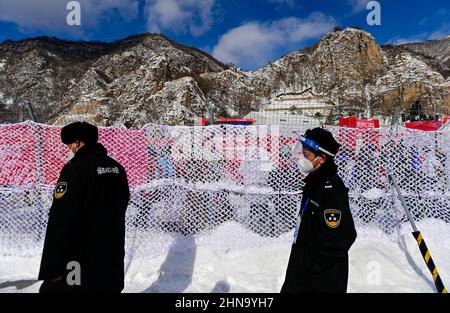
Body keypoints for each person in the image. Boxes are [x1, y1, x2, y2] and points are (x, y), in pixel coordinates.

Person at [38, 122, 130, 293]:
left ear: (77, 143)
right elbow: (122, 203)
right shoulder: (117, 168)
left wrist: (53, 267)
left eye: (69, 144)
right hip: (111, 252)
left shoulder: (75, 169)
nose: (69, 149)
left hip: (79, 258)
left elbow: (61, 219)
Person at [281, 128, 357, 293]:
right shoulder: (314, 183)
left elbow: (343, 237)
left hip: (319, 280)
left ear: (321, 158)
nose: (301, 158)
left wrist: (308, 265)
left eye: (306, 155)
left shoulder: (331, 189)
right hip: (300, 272)